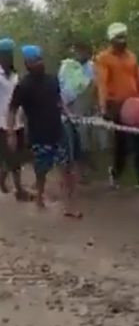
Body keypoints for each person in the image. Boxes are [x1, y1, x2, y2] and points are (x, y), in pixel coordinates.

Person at [7, 45, 80, 217]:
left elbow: (59, 100)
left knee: (66, 168)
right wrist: (11, 133)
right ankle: (39, 198)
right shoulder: (23, 86)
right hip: (39, 135)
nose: (40, 63)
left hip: (58, 131)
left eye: (40, 59)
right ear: (27, 64)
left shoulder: (52, 80)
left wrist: (69, 114)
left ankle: (69, 206)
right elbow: (12, 110)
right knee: (41, 171)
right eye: (35, 61)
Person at [95, 23, 139, 190]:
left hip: (135, 103)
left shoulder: (131, 57)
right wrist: (103, 107)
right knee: (121, 142)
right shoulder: (103, 58)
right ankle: (115, 173)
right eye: (118, 38)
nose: (122, 41)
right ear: (112, 40)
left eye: (124, 37)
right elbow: (102, 83)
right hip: (116, 105)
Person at [0, 38, 32, 201]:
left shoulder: (15, 75)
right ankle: (20, 191)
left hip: (17, 120)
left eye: (10, 54)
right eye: (5, 54)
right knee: (12, 157)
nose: (8, 57)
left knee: (15, 155)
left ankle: (2, 180)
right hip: (2, 122)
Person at [58, 42, 96, 175]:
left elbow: (92, 86)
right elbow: (61, 86)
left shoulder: (91, 67)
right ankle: (68, 171)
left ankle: (83, 170)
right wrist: (63, 106)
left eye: (83, 51)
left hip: (83, 105)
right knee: (68, 140)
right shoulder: (67, 66)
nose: (80, 54)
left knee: (83, 139)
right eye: (78, 51)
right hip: (66, 106)